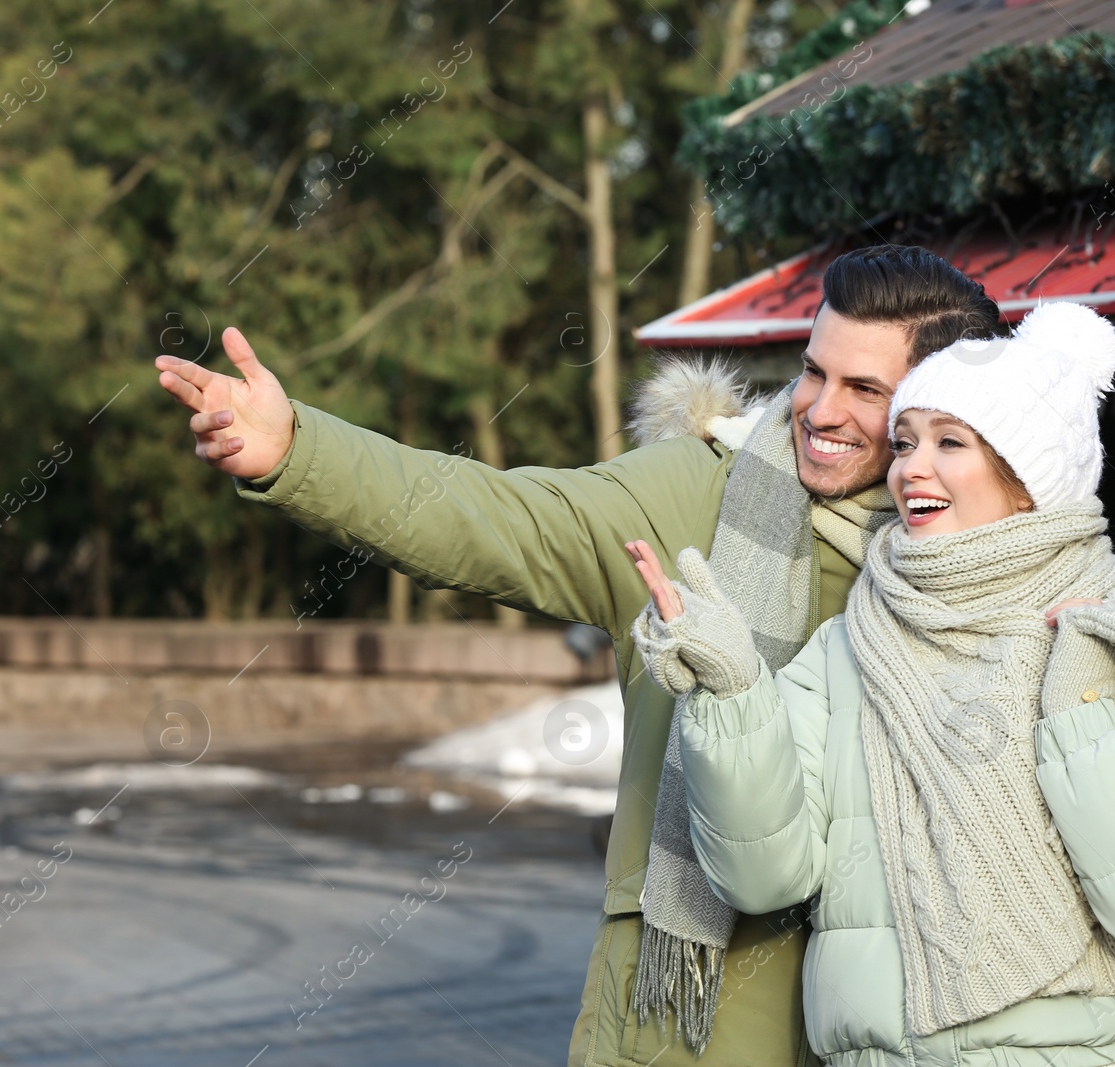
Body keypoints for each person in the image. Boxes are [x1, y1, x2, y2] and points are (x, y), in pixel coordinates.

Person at [154, 245, 1019, 1066]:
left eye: (864, 388)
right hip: (689, 1026)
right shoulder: (696, 496)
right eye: (813, 371)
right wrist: (300, 450)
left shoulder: (999, 573)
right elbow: (499, 519)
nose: (819, 410)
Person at [627, 301, 1115, 1067]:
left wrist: (1082, 712)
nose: (910, 465)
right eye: (907, 440)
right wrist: (735, 696)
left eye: (951, 442)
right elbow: (763, 877)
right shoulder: (845, 650)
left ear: (1029, 476)